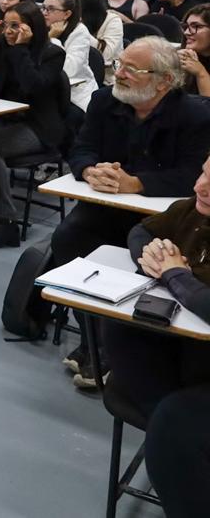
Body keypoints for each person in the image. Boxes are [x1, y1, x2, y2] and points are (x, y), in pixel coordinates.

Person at [49, 39, 210, 387]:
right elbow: (81, 148)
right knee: (67, 238)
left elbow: (192, 175)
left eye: (130, 70)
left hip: (163, 215)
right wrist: (90, 171)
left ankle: (113, 346)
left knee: (144, 257)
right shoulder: (105, 101)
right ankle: (95, 336)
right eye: (120, 63)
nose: (118, 73)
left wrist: (136, 183)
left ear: (164, 81)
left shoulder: (196, 115)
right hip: (107, 206)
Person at [104, 159, 210, 518]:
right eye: (203, 172)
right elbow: (141, 232)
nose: (200, 186)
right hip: (182, 354)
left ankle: (171, 444)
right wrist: (154, 260)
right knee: (120, 323)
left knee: (174, 423)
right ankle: (171, 446)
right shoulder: (190, 211)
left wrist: (177, 275)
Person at [0, 0, 69, 248]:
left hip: (38, 126)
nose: (10, 31)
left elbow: (32, 86)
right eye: (7, 25)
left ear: (32, 27)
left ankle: (5, 222)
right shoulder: (3, 47)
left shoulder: (52, 53)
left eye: (16, 26)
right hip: (4, 118)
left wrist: (20, 49)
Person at [43, 0, 99, 120]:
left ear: (67, 14)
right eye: (44, 8)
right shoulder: (40, 26)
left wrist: (52, 39)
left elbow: (69, 70)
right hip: (47, 89)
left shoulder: (79, 32)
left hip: (74, 95)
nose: (45, 13)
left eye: (51, 9)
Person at [71, 0, 124, 84]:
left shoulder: (112, 20)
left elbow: (106, 55)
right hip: (75, 74)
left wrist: (79, 27)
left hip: (106, 78)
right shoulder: (68, 18)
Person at [179, 4, 210, 95]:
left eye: (196, 26)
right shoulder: (182, 56)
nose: (186, 32)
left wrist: (201, 73)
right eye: (186, 26)